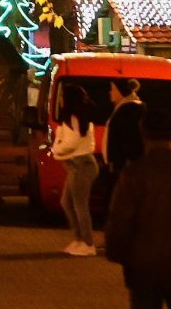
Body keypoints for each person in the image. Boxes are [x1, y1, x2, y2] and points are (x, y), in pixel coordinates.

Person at [106, 108, 171, 306]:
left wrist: (116, 253)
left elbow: (120, 220)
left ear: (143, 135)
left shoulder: (134, 174)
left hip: (143, 266)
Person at [53, 82, 101, 256]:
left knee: (79, 205)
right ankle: (79, 239)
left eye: (62, 96)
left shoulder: (75, 118)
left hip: (82, 165)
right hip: (78, 165)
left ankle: (87, 243)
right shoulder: (80, 118)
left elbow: (70, 143)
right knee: (67, 202)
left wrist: (56, 148)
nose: (60, 99)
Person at [109, 78, 149, 177]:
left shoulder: (128, 110)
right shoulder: (125, 107)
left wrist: (124, 160)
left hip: (124, 165)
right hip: (123, 163)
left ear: (120, 91)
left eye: (113, 89)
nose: (110, 92)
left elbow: (130, 137)